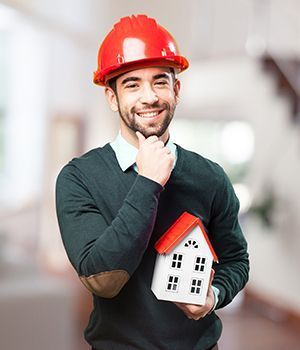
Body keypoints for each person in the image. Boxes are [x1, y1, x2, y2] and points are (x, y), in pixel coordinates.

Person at [56, 14, 249, 350]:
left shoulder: (210, 176)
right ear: (112, 97)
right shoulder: (78, 178)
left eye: (160, 81)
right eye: (132, 84)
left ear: (176, 90)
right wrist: (148, 182)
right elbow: (102, 280)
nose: (149, 97)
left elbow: (237, 260)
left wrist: (215, 296)